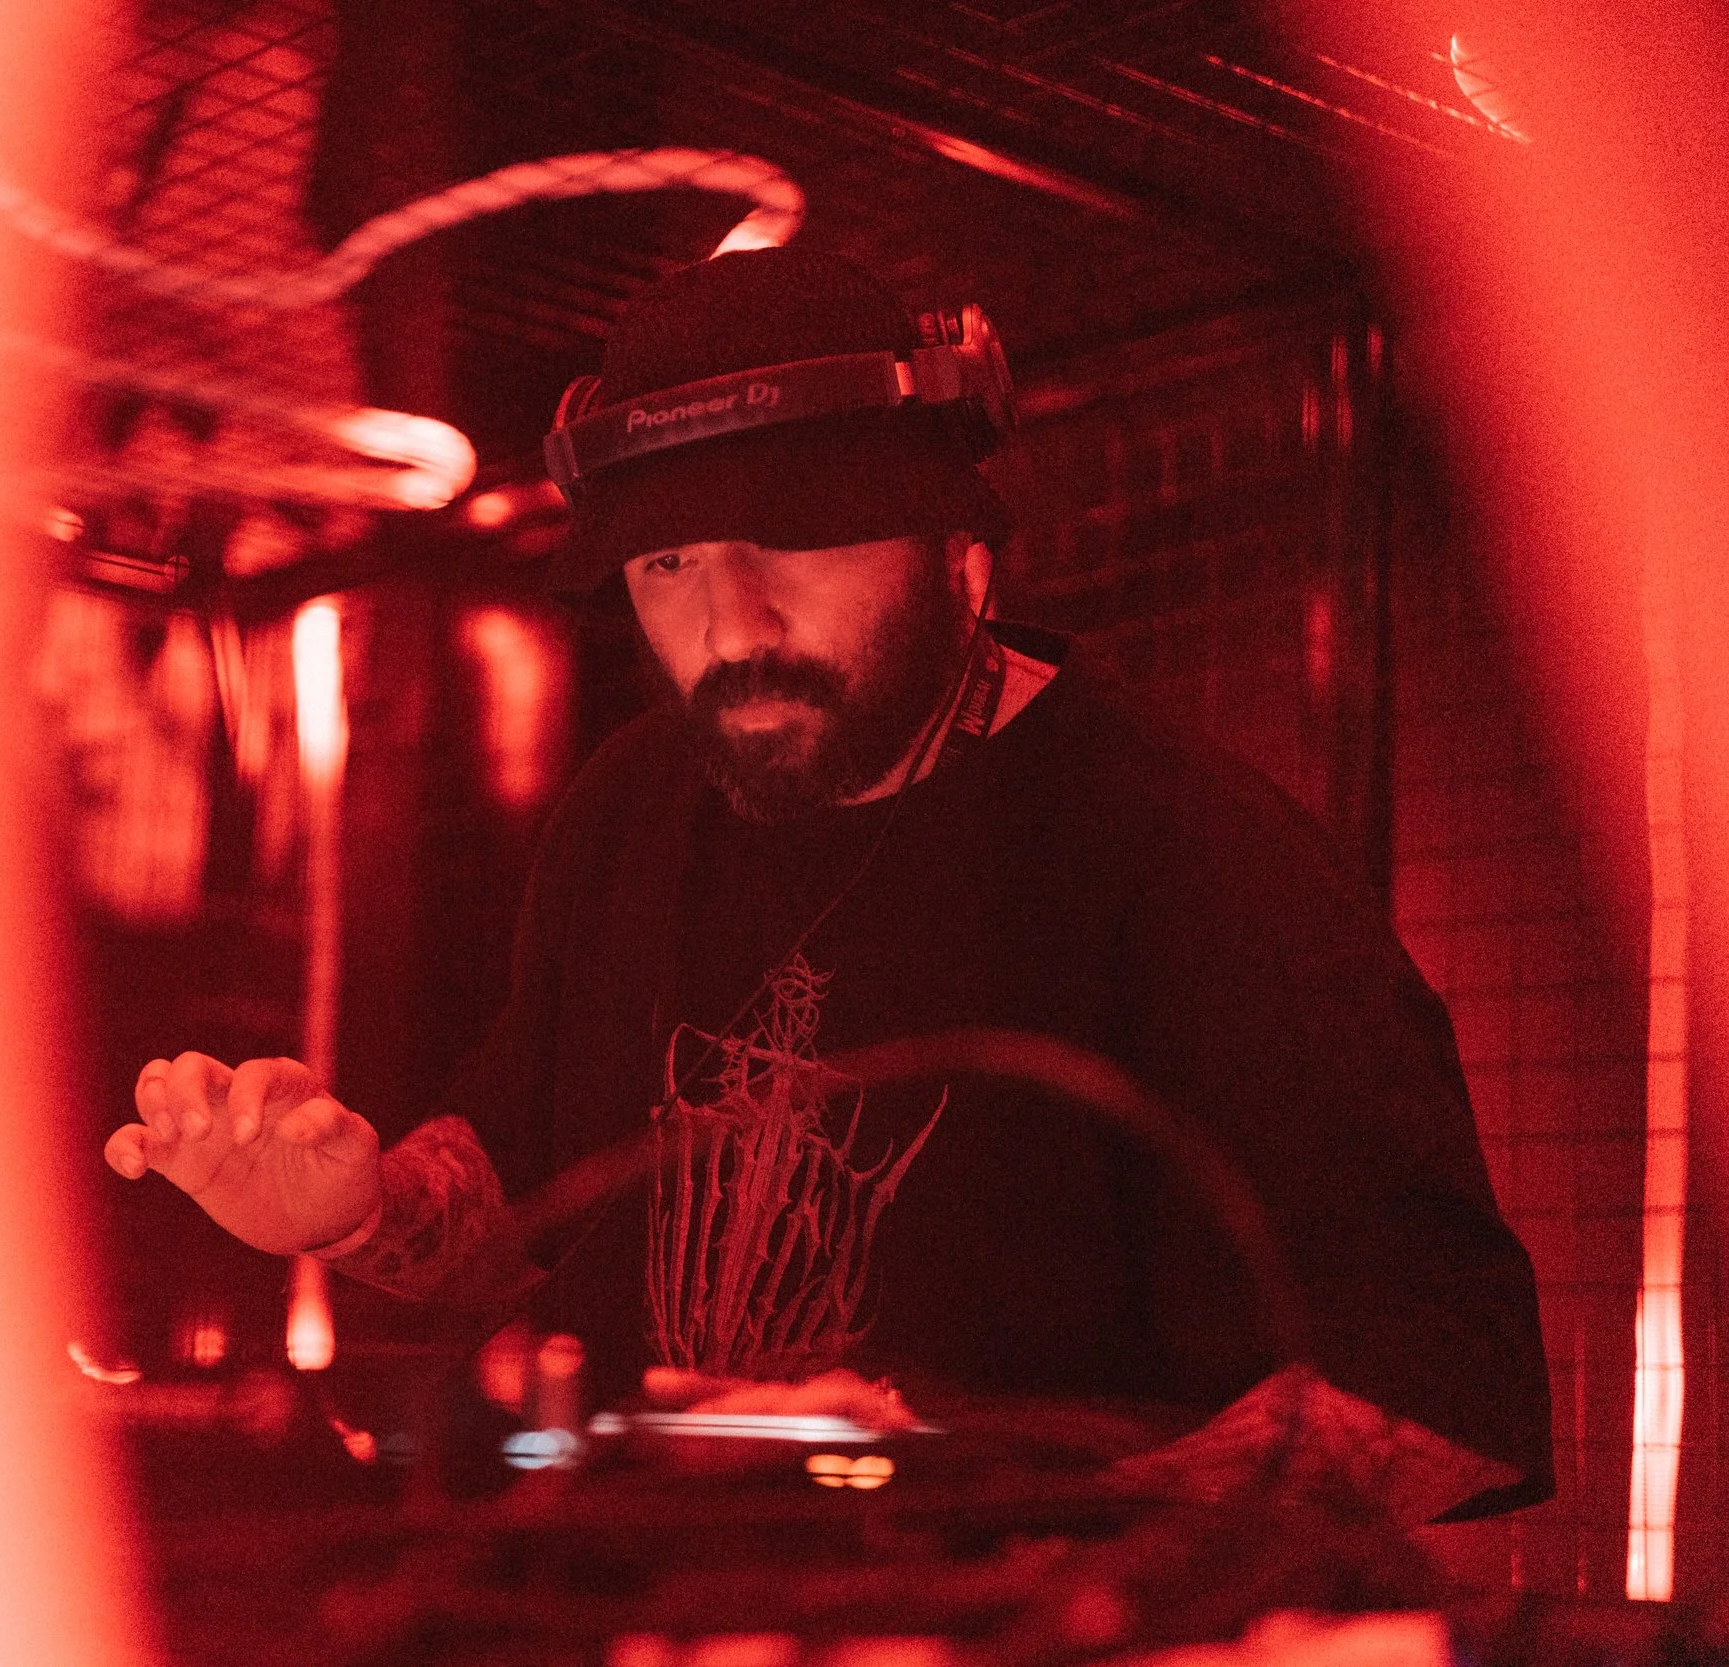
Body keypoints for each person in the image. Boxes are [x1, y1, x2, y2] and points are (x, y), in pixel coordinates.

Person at [103, 247, 1554, 1523]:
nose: (732, 624)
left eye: (794, 538)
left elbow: (1438, 1388)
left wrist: (1022, 1583)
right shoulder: (628, 807)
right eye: (669, 561)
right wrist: (351, 1212)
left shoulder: (1189, 855)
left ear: (957, 546)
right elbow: (516, 1203)